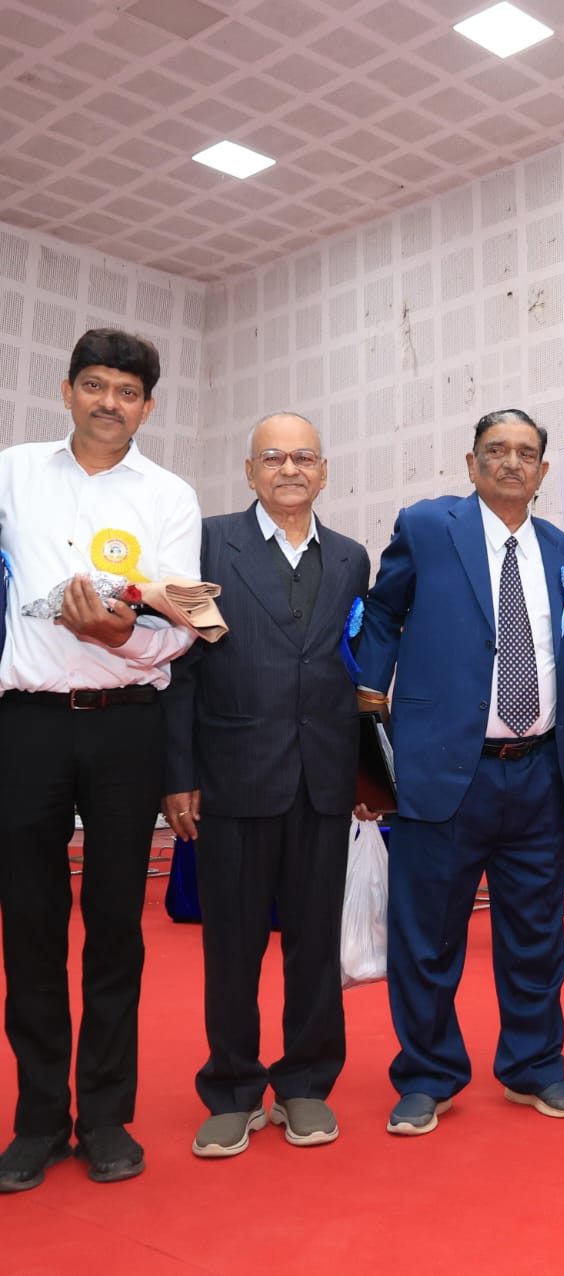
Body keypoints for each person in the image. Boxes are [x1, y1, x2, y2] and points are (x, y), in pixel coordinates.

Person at [0, 328, 201, 1191]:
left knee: (117, 925)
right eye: (94, 385)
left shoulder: (169, 495)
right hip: (28, 723)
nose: (108, 402)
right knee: (30, 926)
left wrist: (121, 637)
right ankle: (39, 1120)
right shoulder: (13, 473)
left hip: (127, 726)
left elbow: (182, 626)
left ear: (146, 407)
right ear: (67, 390)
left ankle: (107, 1116)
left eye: (126, 391)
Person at [356, 408, 564, 1136]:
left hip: (539, 773)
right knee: (427, 936)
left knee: (537, 936)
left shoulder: (561, 547)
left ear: (542, 471)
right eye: (496, 450)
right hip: (443, 768)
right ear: (471, 462)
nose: (511, 462)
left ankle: (534, 1067)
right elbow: (381, 614)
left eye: (525, 453)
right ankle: (428, 1075)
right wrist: (367, 710)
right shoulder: (428, 526)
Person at [162, 412, 371, 1158]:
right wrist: (178, 773)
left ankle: (307, 1083)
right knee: (233, 944)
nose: (290, 469)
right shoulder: (207, 544)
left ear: (324, 472)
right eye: (273, 458)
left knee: (315, 945)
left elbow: (350, 669)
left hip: (323, 781)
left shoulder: (350, 558)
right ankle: (231, 1089)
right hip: (233, 776)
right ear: (250, 472)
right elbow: (182, 667)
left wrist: (365, 775)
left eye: (304, 457)